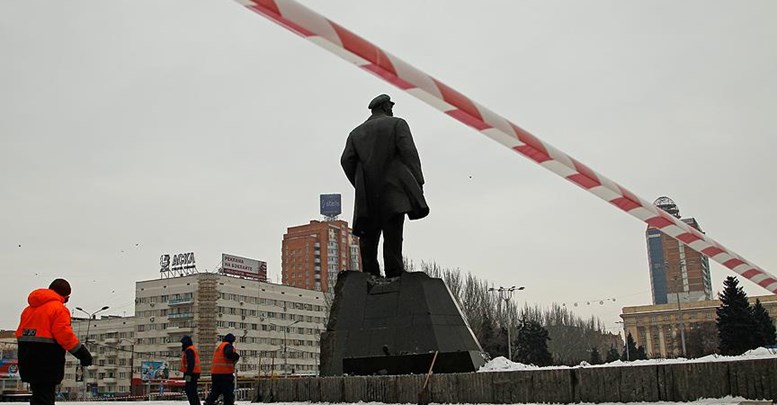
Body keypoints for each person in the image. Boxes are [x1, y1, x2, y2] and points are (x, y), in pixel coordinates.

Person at [341, 94, 429, 278]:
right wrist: (418, 181)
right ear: (386, 107)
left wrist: (359, 184)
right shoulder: (397, 124)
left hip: (367, 195)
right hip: (394, 192)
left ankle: (370, 275)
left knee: (369, 238)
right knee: (393, 235)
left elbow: (346, 161)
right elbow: (409, 154)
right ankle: (394, 272)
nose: (392, 109)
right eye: (390, 106)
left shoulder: (356, 133)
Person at [16, 279, 92, 405]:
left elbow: (19, 333)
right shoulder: (58, 309)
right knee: (45, 398)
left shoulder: (28, 310)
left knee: (38, 396)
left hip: (27, 360)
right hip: (46, 361)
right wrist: (82, 353)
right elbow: (64, 335)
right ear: (65, 296)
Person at [203, 333, 240, 405]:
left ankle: (208, 402)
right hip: (225, 374)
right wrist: (235, 356)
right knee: (228, 393)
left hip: (215, 374)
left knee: (215, 391)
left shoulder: (220, 347)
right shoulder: (228, 346)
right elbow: (228, 354)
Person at [179, 336, 201, 405]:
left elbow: (191, 363)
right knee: (191, 390)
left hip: (191, 374)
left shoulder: (189, 350)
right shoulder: (191, 349)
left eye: (183, 343)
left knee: (190, 390)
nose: (182, 345)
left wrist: (188, 375)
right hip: (193, 373)